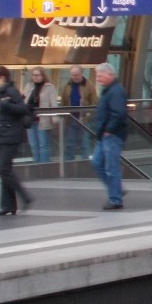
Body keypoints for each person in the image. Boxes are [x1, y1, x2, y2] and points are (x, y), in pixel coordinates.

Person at [0, 66, 33, 216]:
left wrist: (5, 105)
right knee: (4, 170)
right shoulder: (2, 93)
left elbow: (22, 108)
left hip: (10, 136)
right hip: (4, 135)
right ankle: (8, 205)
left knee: (5, 170)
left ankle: (24, 197)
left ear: (2, 78)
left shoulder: (10, 91)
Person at [92, 63, 129, 210]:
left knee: (111, 167)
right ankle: (116, 190)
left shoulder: (115, 91)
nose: (98, 78)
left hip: (111, 135)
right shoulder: (108, 90)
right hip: (105, 134)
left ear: (109, 74)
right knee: (97, 163)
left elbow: (118, 113)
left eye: (100, 76)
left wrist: (109, 129)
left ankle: (115, 199)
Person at [59, 64, 98, 160]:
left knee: (85, 143)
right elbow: (63, 101)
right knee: (69, 143)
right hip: (70, 118)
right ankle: (69, 162)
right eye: (72, 75)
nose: (74, 77)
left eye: (76, 75)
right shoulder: (67, 85)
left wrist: (88, 113)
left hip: (84, 119)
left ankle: (85, 162)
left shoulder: (89, 85)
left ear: (81, 73)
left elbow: (94, 102)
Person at [22, 66, 57, 163]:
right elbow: (23, 99)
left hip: (43, 119)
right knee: (33, 143)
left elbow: (53, 103)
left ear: (43, 76)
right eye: (33, 75)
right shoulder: (29, 86)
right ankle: (36, 163)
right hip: (30, 119)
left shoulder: (49, 87)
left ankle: (44, 165)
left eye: (37, 75)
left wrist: (55, 117)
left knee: (43, 144)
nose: (35, 77)